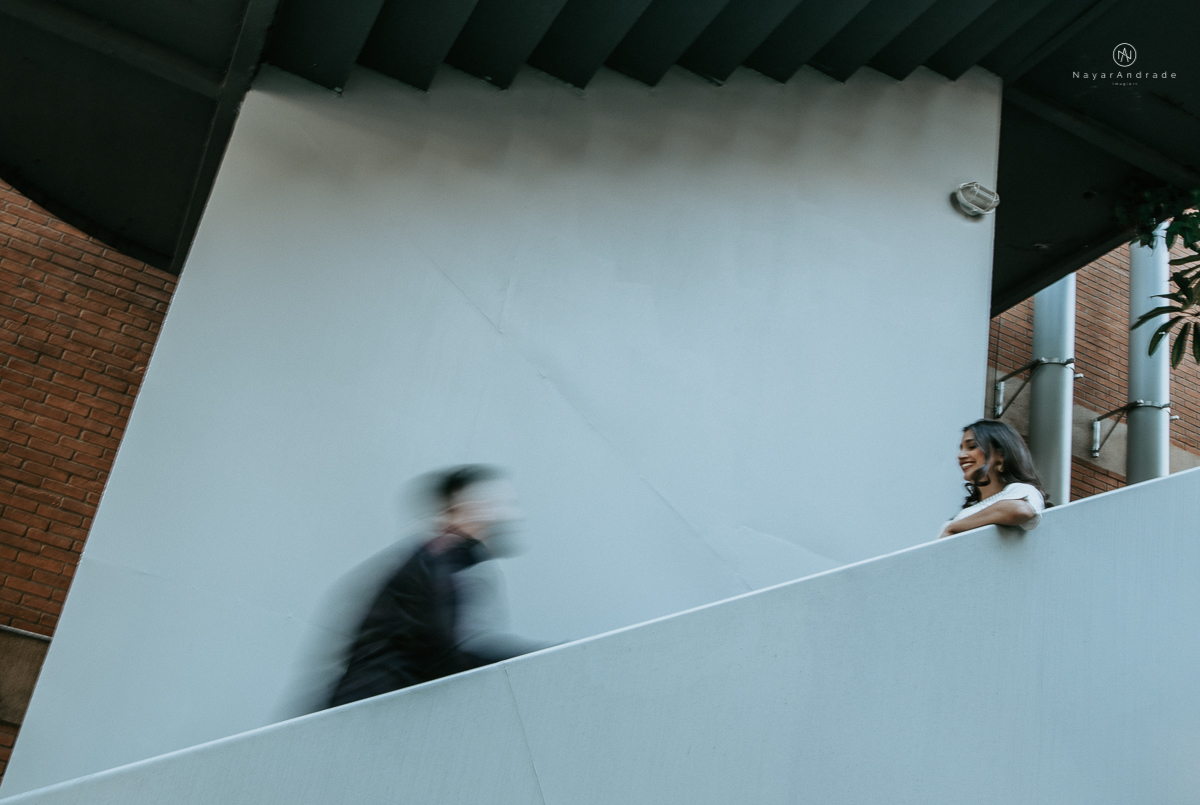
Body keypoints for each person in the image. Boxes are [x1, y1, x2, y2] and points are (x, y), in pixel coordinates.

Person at [327, 465, 529, 707]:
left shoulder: (444, 564)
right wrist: (532, 662)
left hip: (380, 710)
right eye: (495, 503)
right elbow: (446, 654)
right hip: (369, 713)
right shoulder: (435, 564)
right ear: (461, 509)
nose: (510, 514)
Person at [939, 419, 1047, 538]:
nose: (961, 455)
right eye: (961, 449)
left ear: (1001, 455)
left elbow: (1021, 510)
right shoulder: (965, 512)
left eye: (972, 446)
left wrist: (954, 527)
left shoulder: (1021, 490)